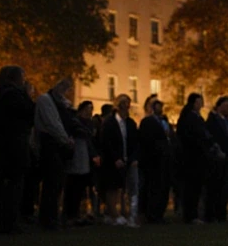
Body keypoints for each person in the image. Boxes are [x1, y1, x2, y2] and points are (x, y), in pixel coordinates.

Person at [0, 66, 34, 234]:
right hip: (15, 144)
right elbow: (29, 113)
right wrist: (27, 95)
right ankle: (9, 220)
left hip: (1, 144)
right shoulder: (14, 95)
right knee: (14, 183)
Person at [33, 79, 76, 231]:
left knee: (57, 183)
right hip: (51, 143)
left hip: (60, 144)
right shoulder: (46, 100)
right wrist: (65, 139)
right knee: (51, 183)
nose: (65, 90)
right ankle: (47, 218)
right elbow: (52, 124)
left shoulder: (63, 103)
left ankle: (52, 216)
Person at [100, 93, 140, 225]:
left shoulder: (130, 123)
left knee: (125, 187)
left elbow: (134, 142)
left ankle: (123, 213)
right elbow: (106, 142)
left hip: (126, 159)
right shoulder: (110, 123)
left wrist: (133, 157)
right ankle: (112, 213)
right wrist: (115, 158)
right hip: (113, 161)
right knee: (113, 187)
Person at [177, 93, 212, 224]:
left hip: (197, 157)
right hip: (192, 158)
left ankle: (193, 213)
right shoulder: (190, 118)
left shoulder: (197, 118)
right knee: (192, 187)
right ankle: (190, 214)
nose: (200, 104)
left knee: (196, 187)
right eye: (198, 102)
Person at [63, 100, 98, 225]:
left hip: (86, 159)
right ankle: (70, 214)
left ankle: (79, 213)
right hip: (77, 156)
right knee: (73, 186)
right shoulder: (76, 122)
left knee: (82, 187)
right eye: (88, 108)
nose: (90, 111)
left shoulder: (89, 123)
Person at [139, 98, 173, 223]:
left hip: (165, 159)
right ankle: (151, 213)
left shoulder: (164, 121)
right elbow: (145, 141)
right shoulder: (147, 122)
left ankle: (159, 213)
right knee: (154, 187)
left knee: (163, 187)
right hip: (154, 160)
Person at [205, 96, 228, 222]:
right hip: (217, 159)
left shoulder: (227, 122)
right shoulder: (213, 120)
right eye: (226, 106)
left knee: (224, 188)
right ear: (219, 106)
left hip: (227, 158)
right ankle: (212, 214)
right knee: (215, 187)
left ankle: (221, 213)